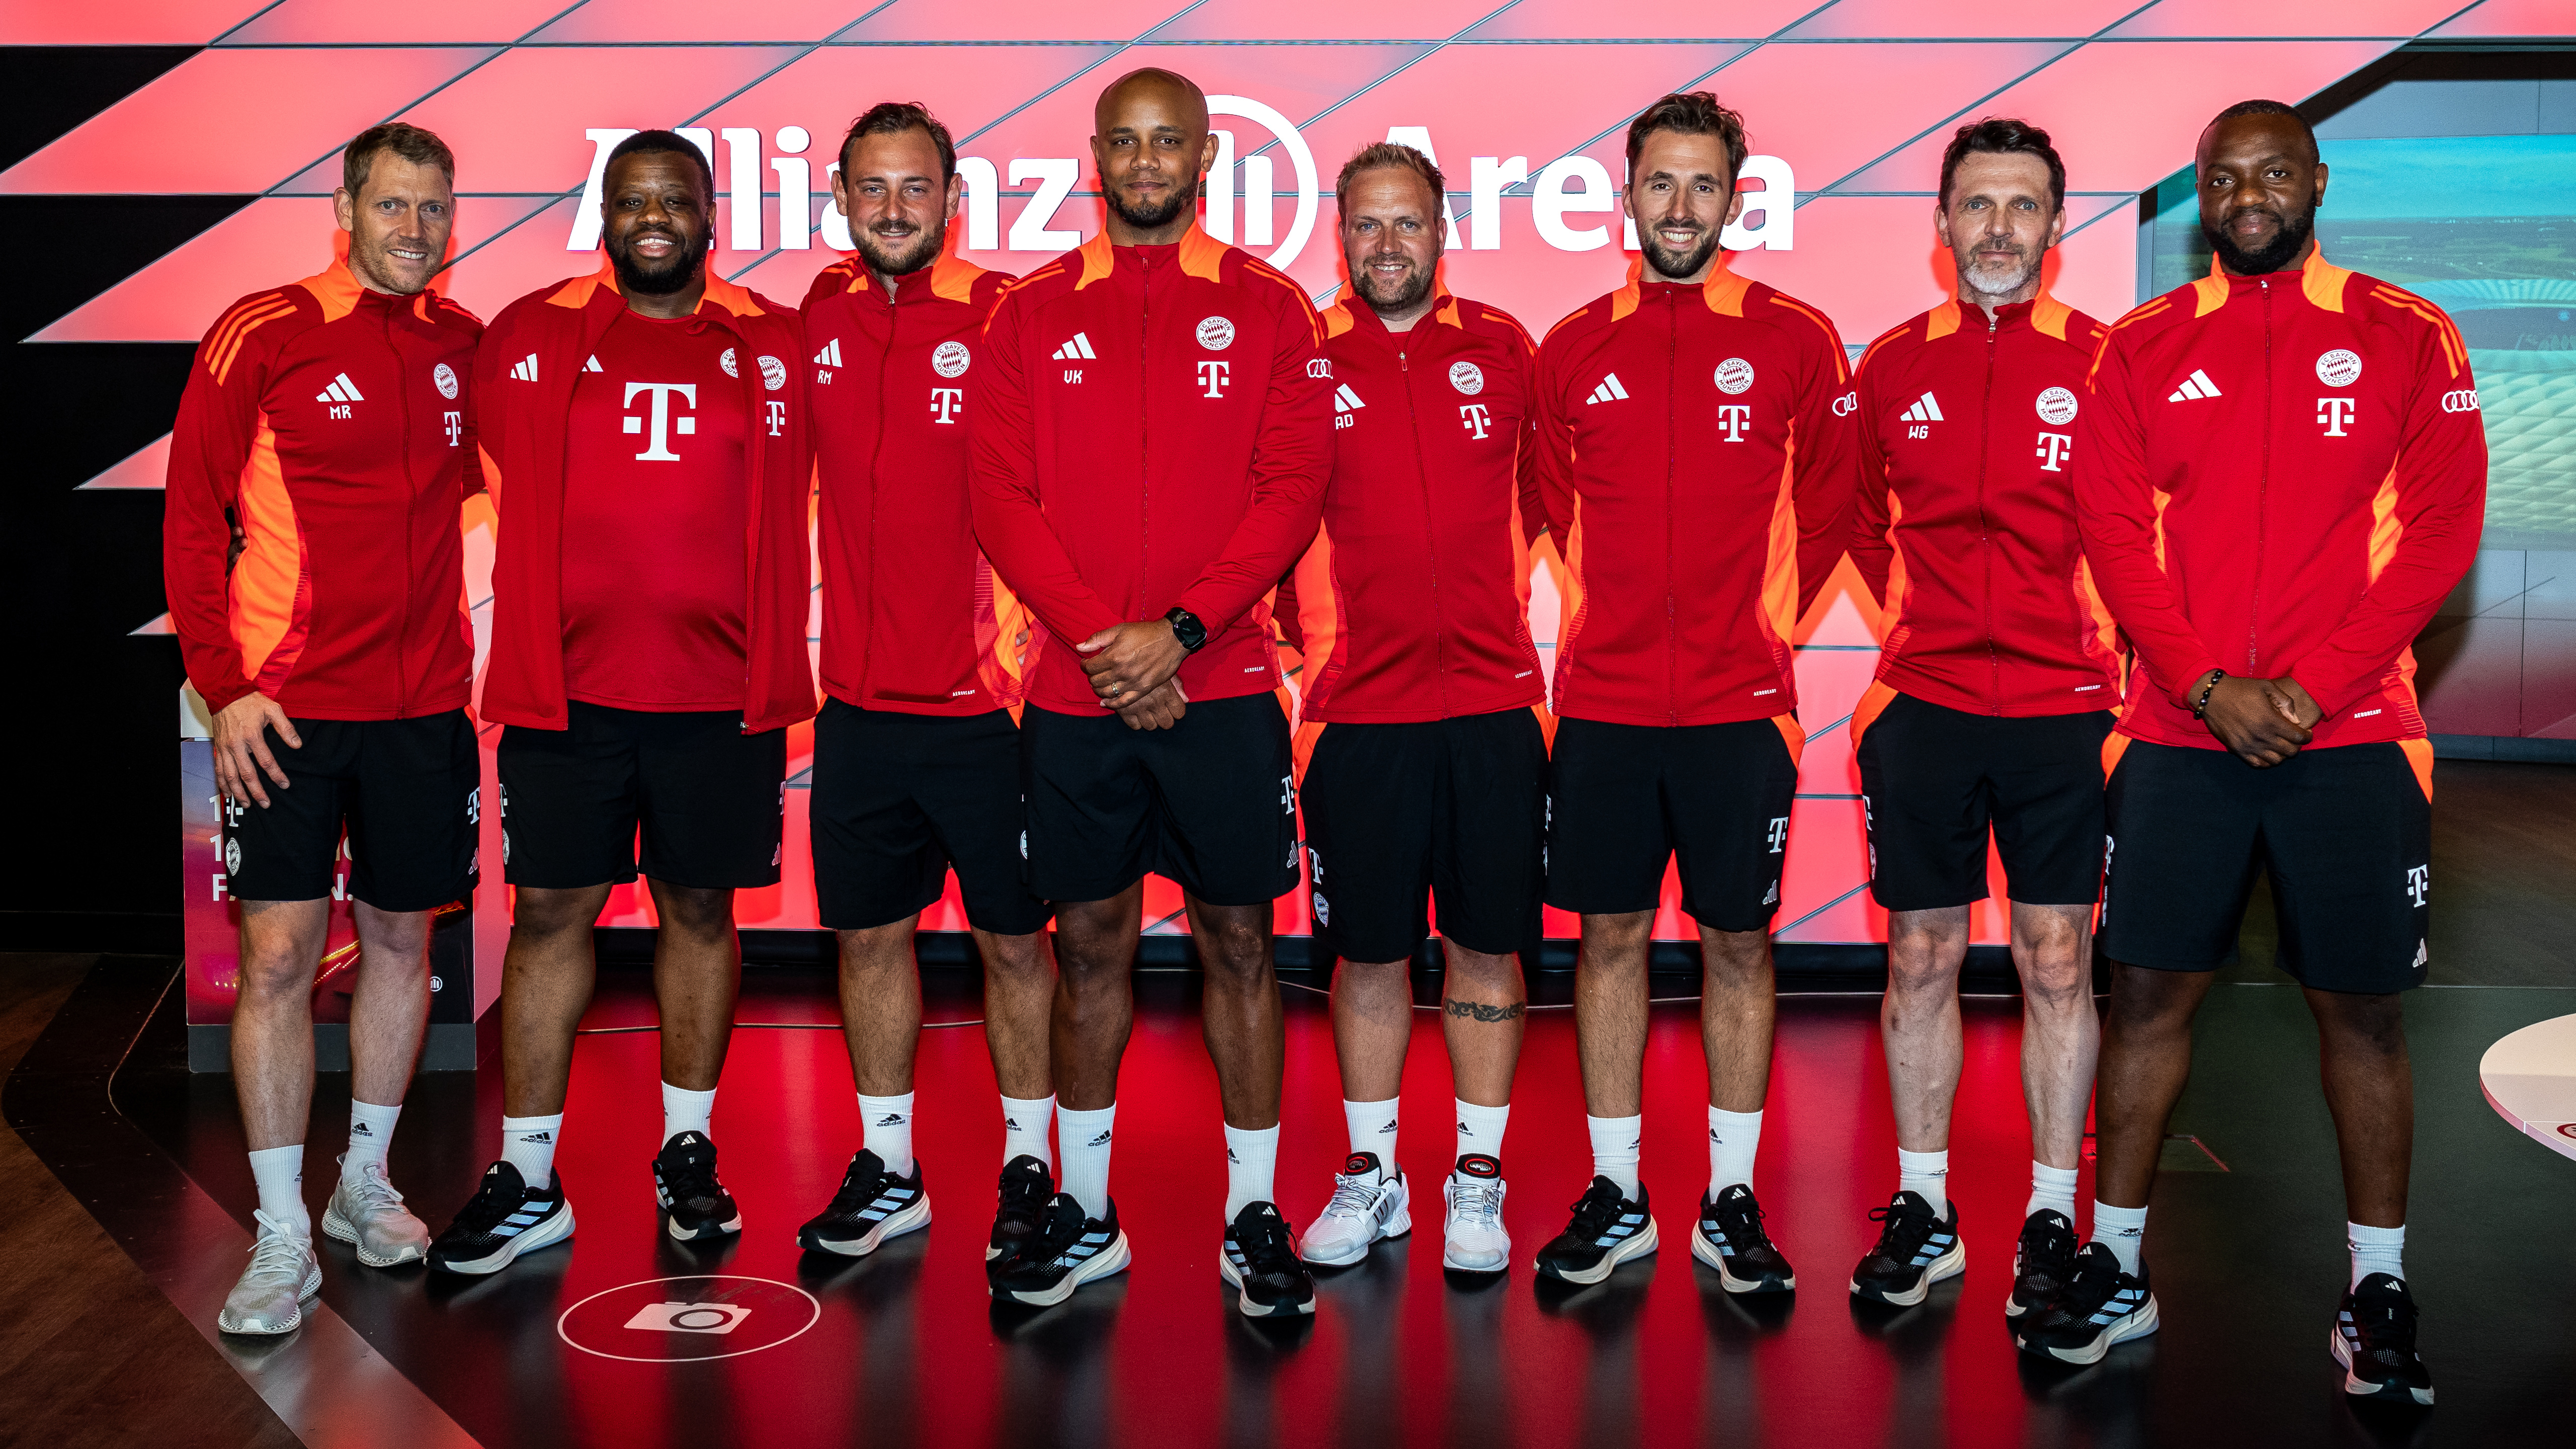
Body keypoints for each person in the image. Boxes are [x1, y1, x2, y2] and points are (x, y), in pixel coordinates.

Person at [2031, 102, 2482, 1406]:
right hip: (2179, 734)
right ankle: (2113, 1265)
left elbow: (2442, 529)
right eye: (2224, 177)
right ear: (2198, 194)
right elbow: (2112, 534)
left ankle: (2376, 1289)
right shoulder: (2141, 348)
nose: (2247, 194)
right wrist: (2207, 684)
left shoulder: (2406, 332)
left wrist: (2313, 687)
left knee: (2364, 1017)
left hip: (2356, 737)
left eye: (2271, 172)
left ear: (2315, 182)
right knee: (2150, 1004)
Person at [970, 68, 1332, 1316]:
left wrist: (1175, 635)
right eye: (1121, 141)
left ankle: (1252, 1212)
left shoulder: (1271, 307)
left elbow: (1292, 492)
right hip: (1076, 698)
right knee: (1091, 949)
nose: (1142, 161)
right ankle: (1085, 1209)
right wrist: (1103, 648)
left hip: (1223, 686)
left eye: (1165, 141)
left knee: (1240, 947)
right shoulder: (1023, 312)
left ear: (1205, 156)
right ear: (1093, 155)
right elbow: (997, 497)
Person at [427, 129, 815, 1274]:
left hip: (720, 697)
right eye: (633, 197)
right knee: (552, 918)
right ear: (606, 211)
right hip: (568, 698)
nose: (654, 216)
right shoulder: (529, 334)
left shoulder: (771, 341)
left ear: (710, 214)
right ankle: (530, 1172)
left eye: (676, 199)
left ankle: (686, 1152)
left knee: (700, 915)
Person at [1528, 91, 1856, 1290]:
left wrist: (1758, 631)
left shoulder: (1795, 338)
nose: (1679, 206)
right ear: (1626, 194)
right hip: (1606, 712)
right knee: (1605, 944)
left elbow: (1827, 517)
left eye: (1702, 185)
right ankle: (1615, 1189)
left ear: (1734, 196)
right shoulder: (1570, 345)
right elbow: (1545, 511)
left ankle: (1730, 1194)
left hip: (1736, 713)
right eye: (1658, 183)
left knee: (1736, 945)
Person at [165, 122, 483, 1332]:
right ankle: (281, 1234)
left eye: (435, 209)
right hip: (283, 715)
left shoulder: (465, 345)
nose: (416, 229)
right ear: (344, 208)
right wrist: (222, 682)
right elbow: (194, 516)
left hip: (425, 712)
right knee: (282, 963)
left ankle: (362, 1184)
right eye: (394, 206)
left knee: (402, 946)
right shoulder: (267, 329)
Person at [1842, 118, 2115, 1313]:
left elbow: (2143, 533)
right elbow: (1855, 520)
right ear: (1941, 222)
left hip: (2067, 710)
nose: (1996, 229)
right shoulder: (1891, 364)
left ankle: (2053, 1212)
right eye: (1975, 206)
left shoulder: (2108, 363)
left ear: (2055, 230)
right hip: (1930, 706)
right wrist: (1920, 624)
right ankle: (1924, 1205)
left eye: (2021, 208)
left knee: (2057, 960)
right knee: (1920, 955)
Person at [793, 101, 1061, 1270]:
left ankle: (1026, 1164)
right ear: (842, 198)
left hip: (989, 714)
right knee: (867, 942)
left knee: (1013, 946)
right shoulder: (820, 313)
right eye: (872, 189)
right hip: (856, 710)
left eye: (915, 189)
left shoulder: (1009, 314)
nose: (893, 209)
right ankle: (890, 1165)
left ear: (953, 200)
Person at [1277, 142, 1548, 1274]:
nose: (1387, 245)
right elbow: (1269, 520)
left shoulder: (1502, 348)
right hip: (1358, 715)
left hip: (1491, 707)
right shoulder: (1301, 361)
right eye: (1366, 227)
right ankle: (1371, 1175)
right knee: (1371, 958)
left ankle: (1475, 1180)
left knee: (1486, 952)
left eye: (1408, 224)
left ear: (1443, 233)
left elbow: (1547, 509)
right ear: (1342, 237)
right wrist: (1311, 649)